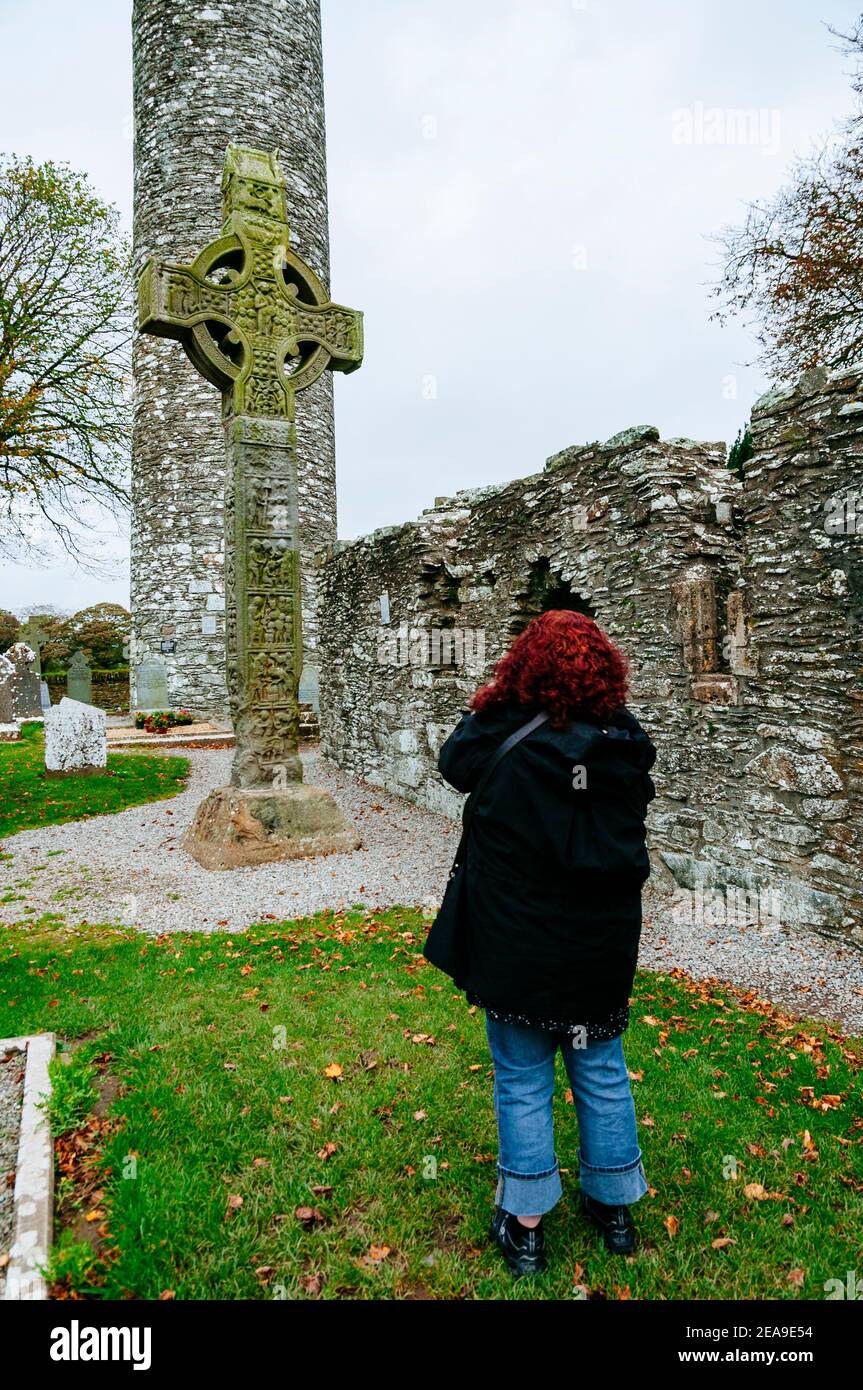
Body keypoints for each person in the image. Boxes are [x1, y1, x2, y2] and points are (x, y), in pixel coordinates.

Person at [431, 609, 657, 1276]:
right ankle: (612, 1207)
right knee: (600, 1070)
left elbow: (457, 760)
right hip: (597, 941)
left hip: (517, 941)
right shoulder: (621, 740)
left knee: (523, 1078)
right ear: (605, 669)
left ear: (521, 668)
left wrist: (499, 698)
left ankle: (526, 1225)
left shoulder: (502, 729)